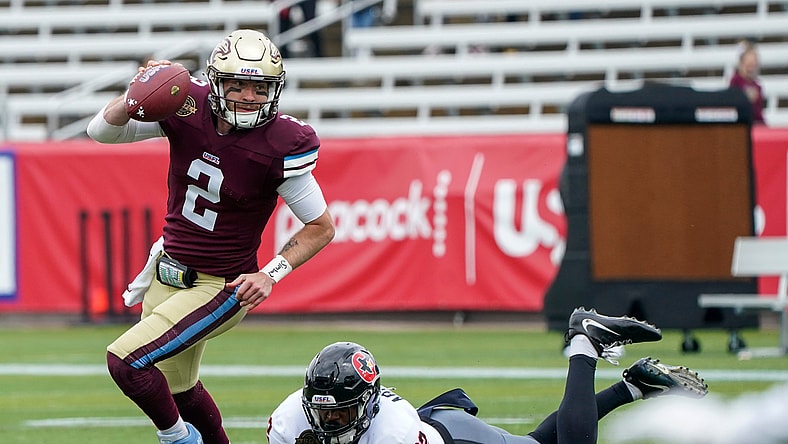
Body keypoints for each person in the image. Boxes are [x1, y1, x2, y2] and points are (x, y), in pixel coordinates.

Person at [87, 29, 335, 444]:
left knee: (126, 361)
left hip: (220, 287)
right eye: (237, 84)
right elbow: (103, 132)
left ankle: (177, 440)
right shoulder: (187, 104)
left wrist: (271, 273)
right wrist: (135, 96)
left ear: (275, 90)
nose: (247, 97)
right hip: (167, 273)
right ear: (215, 81)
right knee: (182, 393)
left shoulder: (281, 143)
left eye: (260, 88)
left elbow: (321, 226)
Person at [266, 307, 708, 444]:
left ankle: (583, 345)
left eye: (340, 417)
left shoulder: (393, 432)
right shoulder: (289, 421)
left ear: (366, 405)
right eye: (323, 416)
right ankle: (635, 385)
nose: (328, 426)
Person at [729, 39, 766, 125]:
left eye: (753, 65)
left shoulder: (757, 86)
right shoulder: (735, 81)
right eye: (748, 65)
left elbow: (758, 112)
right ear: (741, 64)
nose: (751, 69)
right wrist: (745, 97)